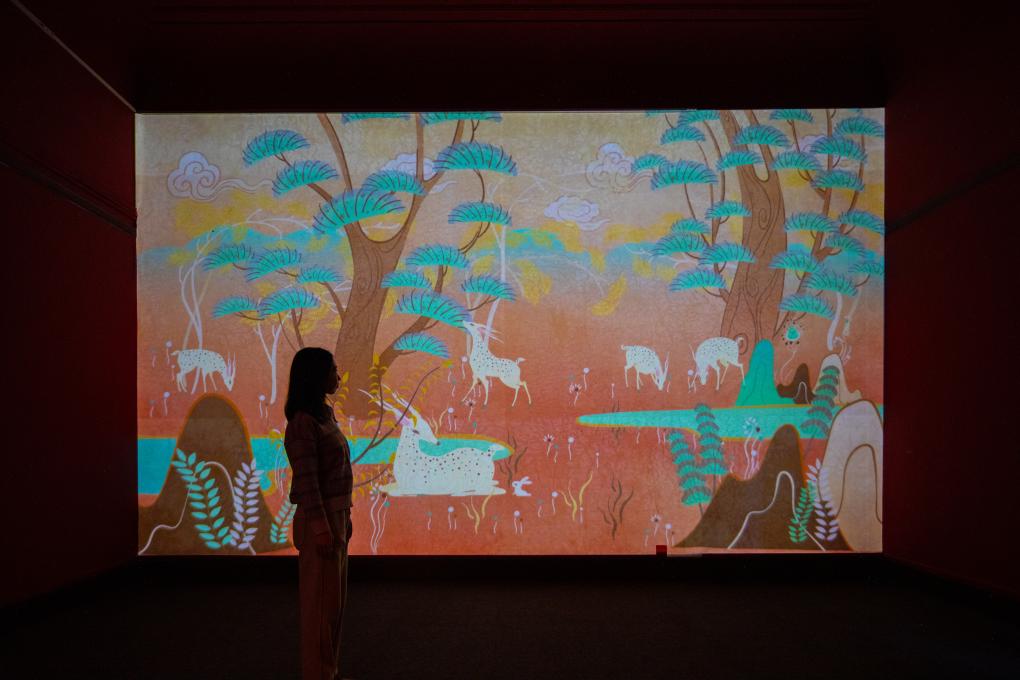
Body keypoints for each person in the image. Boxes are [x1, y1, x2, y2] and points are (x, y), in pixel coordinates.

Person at [284, 347, 354, 680]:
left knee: (333, 605)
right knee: (319, 608)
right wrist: (322, 528)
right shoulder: (303, 423)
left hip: (335, 518)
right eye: (332, 370)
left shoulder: (324, 416)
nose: (337, 376)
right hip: (320, 523)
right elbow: (308, 483)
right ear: (316, 376)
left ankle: (329, 671)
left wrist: (344, 518)